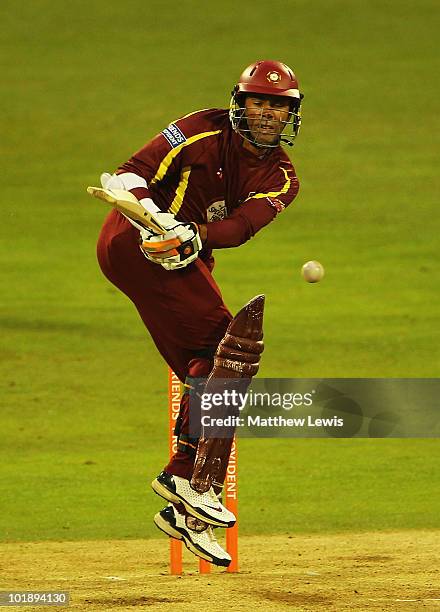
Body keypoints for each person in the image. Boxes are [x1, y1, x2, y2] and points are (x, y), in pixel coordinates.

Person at [95, 59, 303, 566]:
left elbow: (238, 229)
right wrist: (159, 223)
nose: (268, 112)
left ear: (292, 114)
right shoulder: (198, 129)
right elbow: (129, 174)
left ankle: (185, 499)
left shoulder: (282, 177)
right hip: (136, 243)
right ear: (240, 102)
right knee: (228, 348)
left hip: (188, 257)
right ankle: (184, 479)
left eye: (279, 104)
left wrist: (195, 237)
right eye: (259, 100)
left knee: (210, 368)